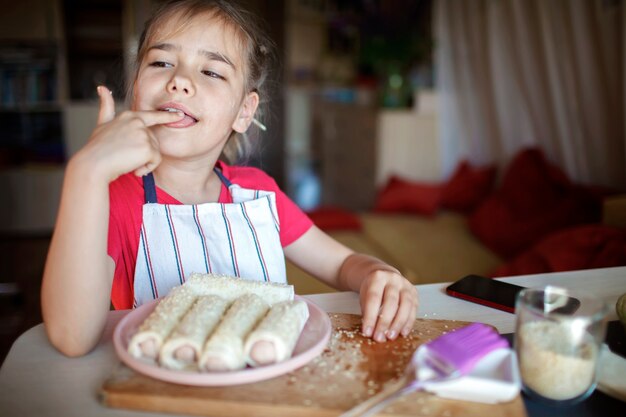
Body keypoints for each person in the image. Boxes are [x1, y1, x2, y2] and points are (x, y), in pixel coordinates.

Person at [41, 0, 418, 357]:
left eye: (210, 71)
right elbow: (71, 337)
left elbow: (340, 265)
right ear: (134, 86)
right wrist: (86, 171)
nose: (179, 82)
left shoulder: (257, 194)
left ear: (243, 111)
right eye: (160, 62)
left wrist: (376, 273)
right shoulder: (114, 197)